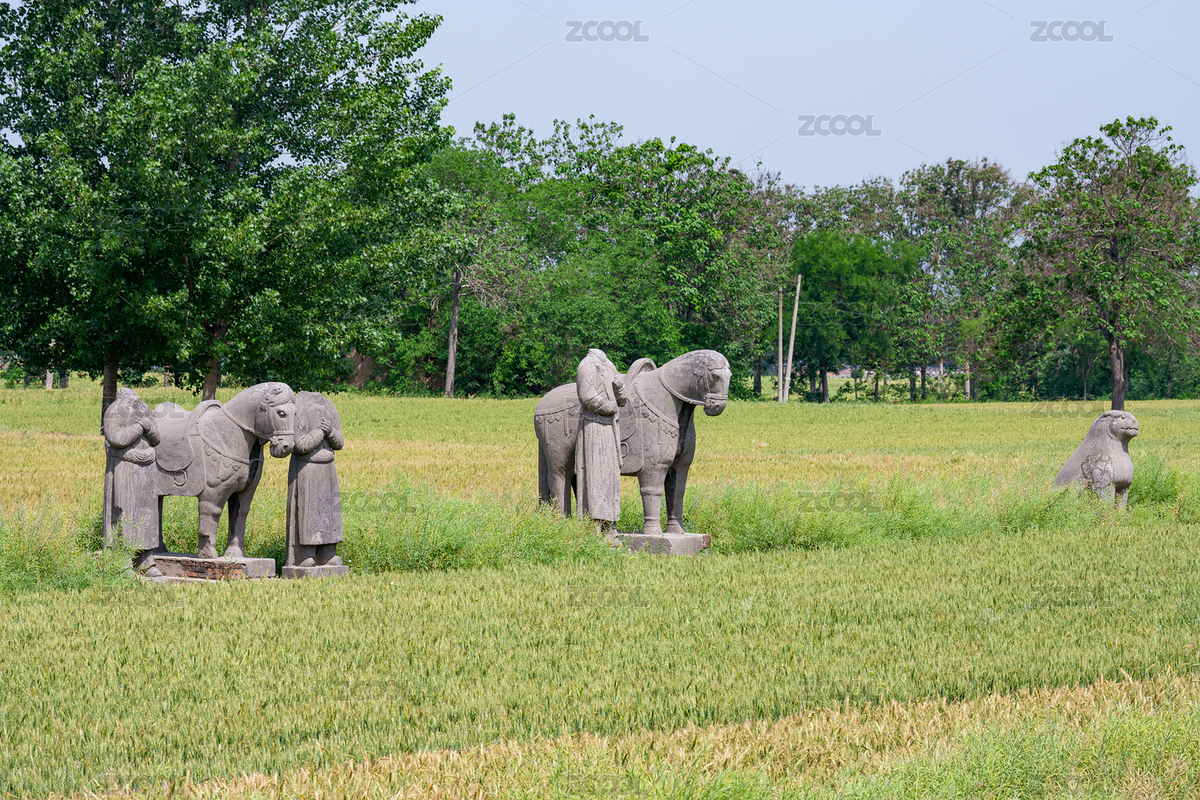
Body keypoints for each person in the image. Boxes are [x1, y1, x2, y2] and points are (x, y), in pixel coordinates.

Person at [102, 388, 162, 563]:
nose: (137, 403)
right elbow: (117, 439)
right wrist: (139, 427)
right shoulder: (114, 410)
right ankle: (123, 560)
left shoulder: (144, 409)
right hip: (125, 468)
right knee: (125, 511)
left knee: (148, 513)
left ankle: (146, 560)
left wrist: (149, 428)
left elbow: (157, 439)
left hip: (146, 469)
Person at [285, 391, 344, 568]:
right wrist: (320, 432)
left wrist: (330, 431)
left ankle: (328, 553)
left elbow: (339, 443)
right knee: (308, 513)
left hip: (328, 469)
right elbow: (300, 445)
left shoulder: (330, 407)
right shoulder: (299, 408)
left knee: (329, 513)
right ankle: (305, 554)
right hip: (307, 468)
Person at [574, 349, 627, 530]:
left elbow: (622, 400)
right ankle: (594, 525)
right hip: (594, 427)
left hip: (611, 429)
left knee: (610, 476)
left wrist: (620, 389)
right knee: (595, 475)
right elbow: (586, 397)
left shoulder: (609, 364)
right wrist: (608, 406)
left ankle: (610, 525)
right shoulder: (586, 365)